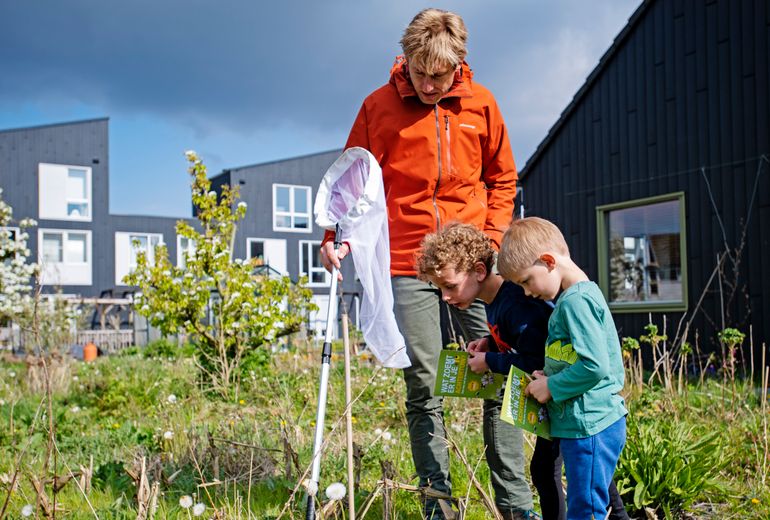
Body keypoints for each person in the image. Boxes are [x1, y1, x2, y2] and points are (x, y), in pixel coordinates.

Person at [320, 8, 521, 519]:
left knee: (505, 372)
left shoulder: (483, 105)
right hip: (407, 263)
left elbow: (502, 180)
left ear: (459, 64)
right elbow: (352, 183)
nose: (429, 85)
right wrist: (333, 237)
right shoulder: (378, 107)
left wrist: (491, 241)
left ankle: (516, 506)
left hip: (476, 264)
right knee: (425, 383)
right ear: (404, 60)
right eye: (419, 72)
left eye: (440, 75)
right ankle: (439, 507)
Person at [417, 222, 630, 520]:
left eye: (449, 286)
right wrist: (492, 343)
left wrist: (496, 363)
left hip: (580, 408)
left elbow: (555, 359)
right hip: (572, 406)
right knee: (583, 480)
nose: (445, 297)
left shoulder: (544, 302)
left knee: (575, 491)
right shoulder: (514, 301)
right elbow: (532, 343)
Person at [498, 217, 628, 520]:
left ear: (548, 261)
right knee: (589, 501)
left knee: (586, 509)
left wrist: (551, 387)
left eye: (526, 281)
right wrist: (552, 375)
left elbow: (595, 366)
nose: (528, 293)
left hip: (590, 425)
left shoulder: (576, 303)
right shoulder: (576, 297)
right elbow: (578, 356)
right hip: (584, 423)